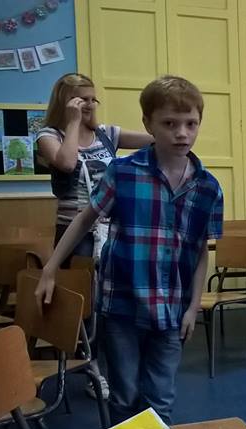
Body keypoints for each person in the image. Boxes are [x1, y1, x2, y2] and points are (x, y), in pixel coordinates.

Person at [35, 75, 223, 426]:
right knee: (122, 397)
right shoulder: (123, 172)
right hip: (121, 305)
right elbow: (84, 219)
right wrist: (50, 269)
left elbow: (200, 251)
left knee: (160, 400)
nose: (182, 133)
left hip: (171, 309)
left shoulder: (208, 187)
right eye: (169, 124)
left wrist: (193, 307)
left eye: (191, 124)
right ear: (148, 124)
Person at [36, 73, 154, 399]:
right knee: (87, 306)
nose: (88, 105)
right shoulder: (49, 135)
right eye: (80, 99)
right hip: (77, 232)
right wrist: (73, 121)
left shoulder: (107, 134)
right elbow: (66, 162)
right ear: (64, 101)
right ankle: (93, 370)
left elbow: (154, 139)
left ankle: (114, 366)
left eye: (91, 99)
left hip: (111, 229)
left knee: (112, 303)